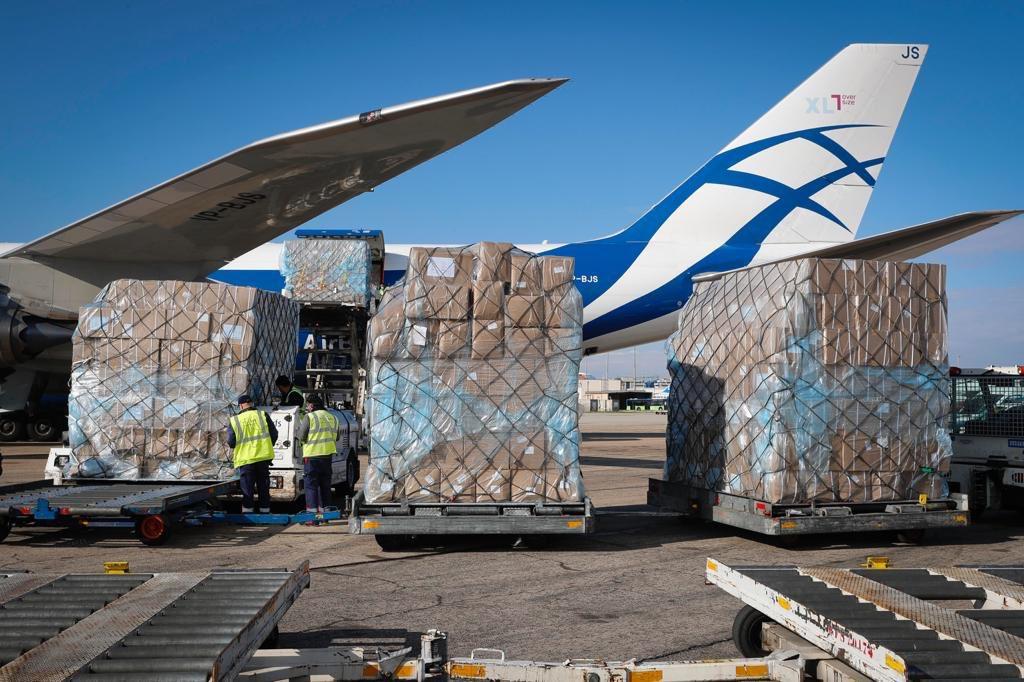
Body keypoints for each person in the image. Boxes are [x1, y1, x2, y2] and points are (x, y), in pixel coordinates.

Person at [227, 394, 278, 513]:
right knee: (263, 487)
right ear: (252, 404)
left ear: (240, 406)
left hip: (246, 459)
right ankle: (265, 512)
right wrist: (267, 446)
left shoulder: (235, 420)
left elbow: (231, 441)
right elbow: (274, 434)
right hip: (263, 457)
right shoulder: (262, 415)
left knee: (247, 489)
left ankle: (248, 514)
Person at [296, 395, 342, 517]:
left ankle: (311, 517)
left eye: (307, 405)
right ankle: (325, 515)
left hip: (312, 456)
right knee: (325, 486)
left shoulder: (309, 417)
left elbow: (301, 436)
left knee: (311, 486)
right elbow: (337, 437)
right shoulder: (333, 417)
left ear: (311, 405)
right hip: (327, 457)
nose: (307, 408)